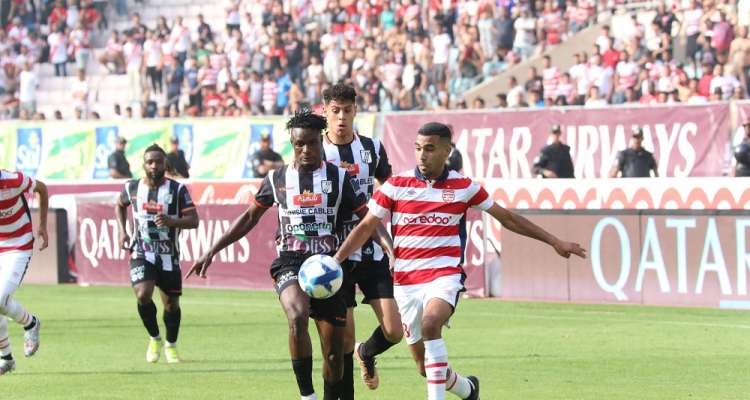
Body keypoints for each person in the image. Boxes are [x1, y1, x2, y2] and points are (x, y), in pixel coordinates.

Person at [333, 122, 587, 400]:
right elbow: (366, 227)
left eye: (430, 149)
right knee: (425, 368)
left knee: (432, 325)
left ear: (446, 150)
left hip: (443, 277)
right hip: (406, 284)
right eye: (418, 148)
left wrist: (555, 241)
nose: (422, 155)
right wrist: (336, 260)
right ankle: (468, 389)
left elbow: (508, 218)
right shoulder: (396, 185)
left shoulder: (464, 187)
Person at [186, 109, 392, 400]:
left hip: (329, 265)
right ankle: (306, 396)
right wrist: (213, 249)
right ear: (292, 144)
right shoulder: (277, 179)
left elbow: (367, 219)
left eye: (311, 143)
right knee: (297, 314)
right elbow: (249, 218)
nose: (305, 149)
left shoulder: (339, 178)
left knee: (334, 358)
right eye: (299, 144)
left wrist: (389, 247)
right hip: (291, 262)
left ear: (321, 142)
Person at [321, 83, 402, 396]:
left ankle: (366, 352)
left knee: (394, 330)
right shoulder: (318, 151)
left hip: (373, 251)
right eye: (335, 111)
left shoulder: (372, 148)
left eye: (347, 110)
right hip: (336, 254)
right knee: (342, 337)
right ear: (325, 112)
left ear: (356, 110)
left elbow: (391, 191)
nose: (341, 117)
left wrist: (396, 241)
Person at [115, 144, 199, 364]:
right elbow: (119, 205)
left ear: (165, 164)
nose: (154, 165)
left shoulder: (177, 190)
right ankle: (154, 338)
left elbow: (194, 220)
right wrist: (123, 231)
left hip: (168, 254)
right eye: (150, 161)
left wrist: (173, 221)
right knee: (143, 294)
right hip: (141, 250)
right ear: (144, 164)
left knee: (171, 304)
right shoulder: (132, 187)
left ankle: (171, 344)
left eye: (158, 162)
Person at [0, 170, 46, 375]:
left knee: (0, 299)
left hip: (18, 245)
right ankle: (7, 358)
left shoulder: (13, 180)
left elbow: (42, 189)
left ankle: (31, 323)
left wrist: (43, 225)